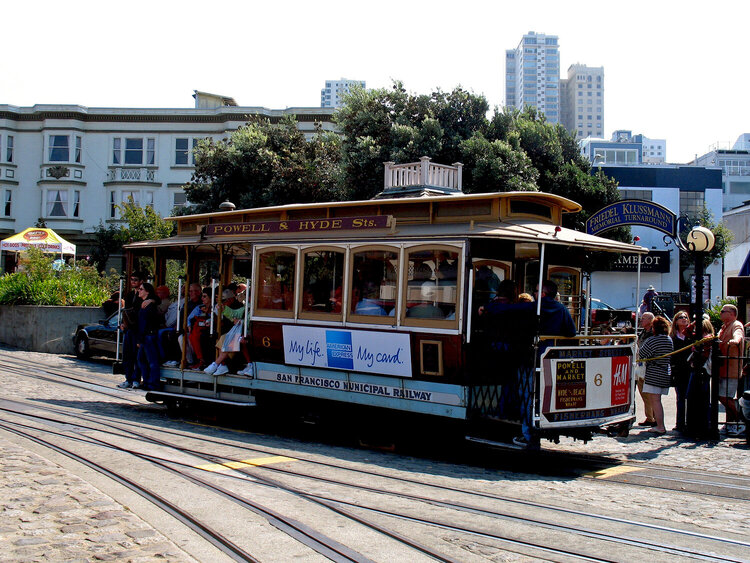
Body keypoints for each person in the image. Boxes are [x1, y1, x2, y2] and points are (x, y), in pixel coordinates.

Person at [638, 316, 673, 434]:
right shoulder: (668, 339)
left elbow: (642, 353)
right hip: (665, 371)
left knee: (655, 401)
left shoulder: (653, 340)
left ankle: (660, 426)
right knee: (657, 400)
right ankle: (659, 424)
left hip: (654, 372)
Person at [717, 304, 745, 436]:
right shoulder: (724, 327)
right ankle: (731, 423)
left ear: (731, 313)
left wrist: (735, 341)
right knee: (722, 396)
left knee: (725, 397)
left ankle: (740, 421)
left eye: (723, 311)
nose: (721, 313)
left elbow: (738, 334)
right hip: (723, 368)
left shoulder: (736, 324)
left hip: (732, 369)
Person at [204, 289, 245, 375]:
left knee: (225, 339)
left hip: (240, 332)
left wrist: (238, 321)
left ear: (230, 299)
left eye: (224, 301)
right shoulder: (233, 307)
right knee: (220, 339)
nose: (222, 303)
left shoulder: (238, 306)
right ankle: (222, 365)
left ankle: (216, 364)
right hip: (231, 331)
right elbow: (231, 316)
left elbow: (237, 317)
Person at [686, 318, 715, 438]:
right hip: (697, 369)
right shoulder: (700, 337)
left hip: (702, 370)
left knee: (701, 398)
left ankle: (703, 426)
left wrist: (697, 363)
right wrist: (694, 322)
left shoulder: (708, 338)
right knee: (692, 396)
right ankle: (694, 426)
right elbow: (686, 332)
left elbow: (705, 354)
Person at [117, 271, 145, 389]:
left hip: (138, 330)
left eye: (135, 280)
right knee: (127, 356)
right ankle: (128, 378)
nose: (133, 282)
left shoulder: (144, 296)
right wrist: (123, 323)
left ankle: (136, 379)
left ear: (141, 281)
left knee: (136, 356)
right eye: (132, 279)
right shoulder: (129, 295)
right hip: (129, 329)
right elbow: (126, 311)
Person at [670, 311, 694, 433]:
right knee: (680, 397)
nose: (684, 319)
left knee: (690, 396)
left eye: (686, 317)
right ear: (676, 321)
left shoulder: (692, 335)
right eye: (681, 317)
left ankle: (689, 423)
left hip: (690, 368)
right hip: (678, 369)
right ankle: (679, 423)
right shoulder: (673, 337)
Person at [136, 283, 162, 391]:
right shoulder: (144, 303)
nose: (139, 291)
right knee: (141, 359)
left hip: (148, 336)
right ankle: (147, 381)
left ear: (147, 292)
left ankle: (153, 383)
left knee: (152, 361)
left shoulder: (150, 306)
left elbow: (145, 323)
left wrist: (140, 338)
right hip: (146, 336)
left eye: (141, 289)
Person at [635, 312, 656, 427]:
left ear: (650, 320)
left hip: (649, 366)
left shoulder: (653, 333)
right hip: (641, 365)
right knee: (643, 392)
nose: (641, 320)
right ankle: (650, 416)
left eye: (644, 318)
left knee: (648, 393)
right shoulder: (643, 332)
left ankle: (651, 417)